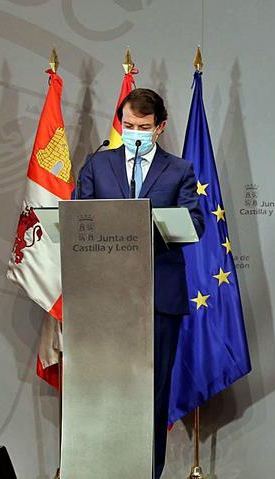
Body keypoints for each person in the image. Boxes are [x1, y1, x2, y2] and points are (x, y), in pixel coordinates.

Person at [74, 88, 205, 478]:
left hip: (159, 299)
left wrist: (148, 226)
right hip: (104, 298)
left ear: (159, 127)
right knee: (104, 392)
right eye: (128, 125)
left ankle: (149, 472)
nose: (134, 132)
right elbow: (77, 219)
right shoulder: (97, 165)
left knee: (153, 393)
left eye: (143, 127)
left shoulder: (179, 170)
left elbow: (195, 223)